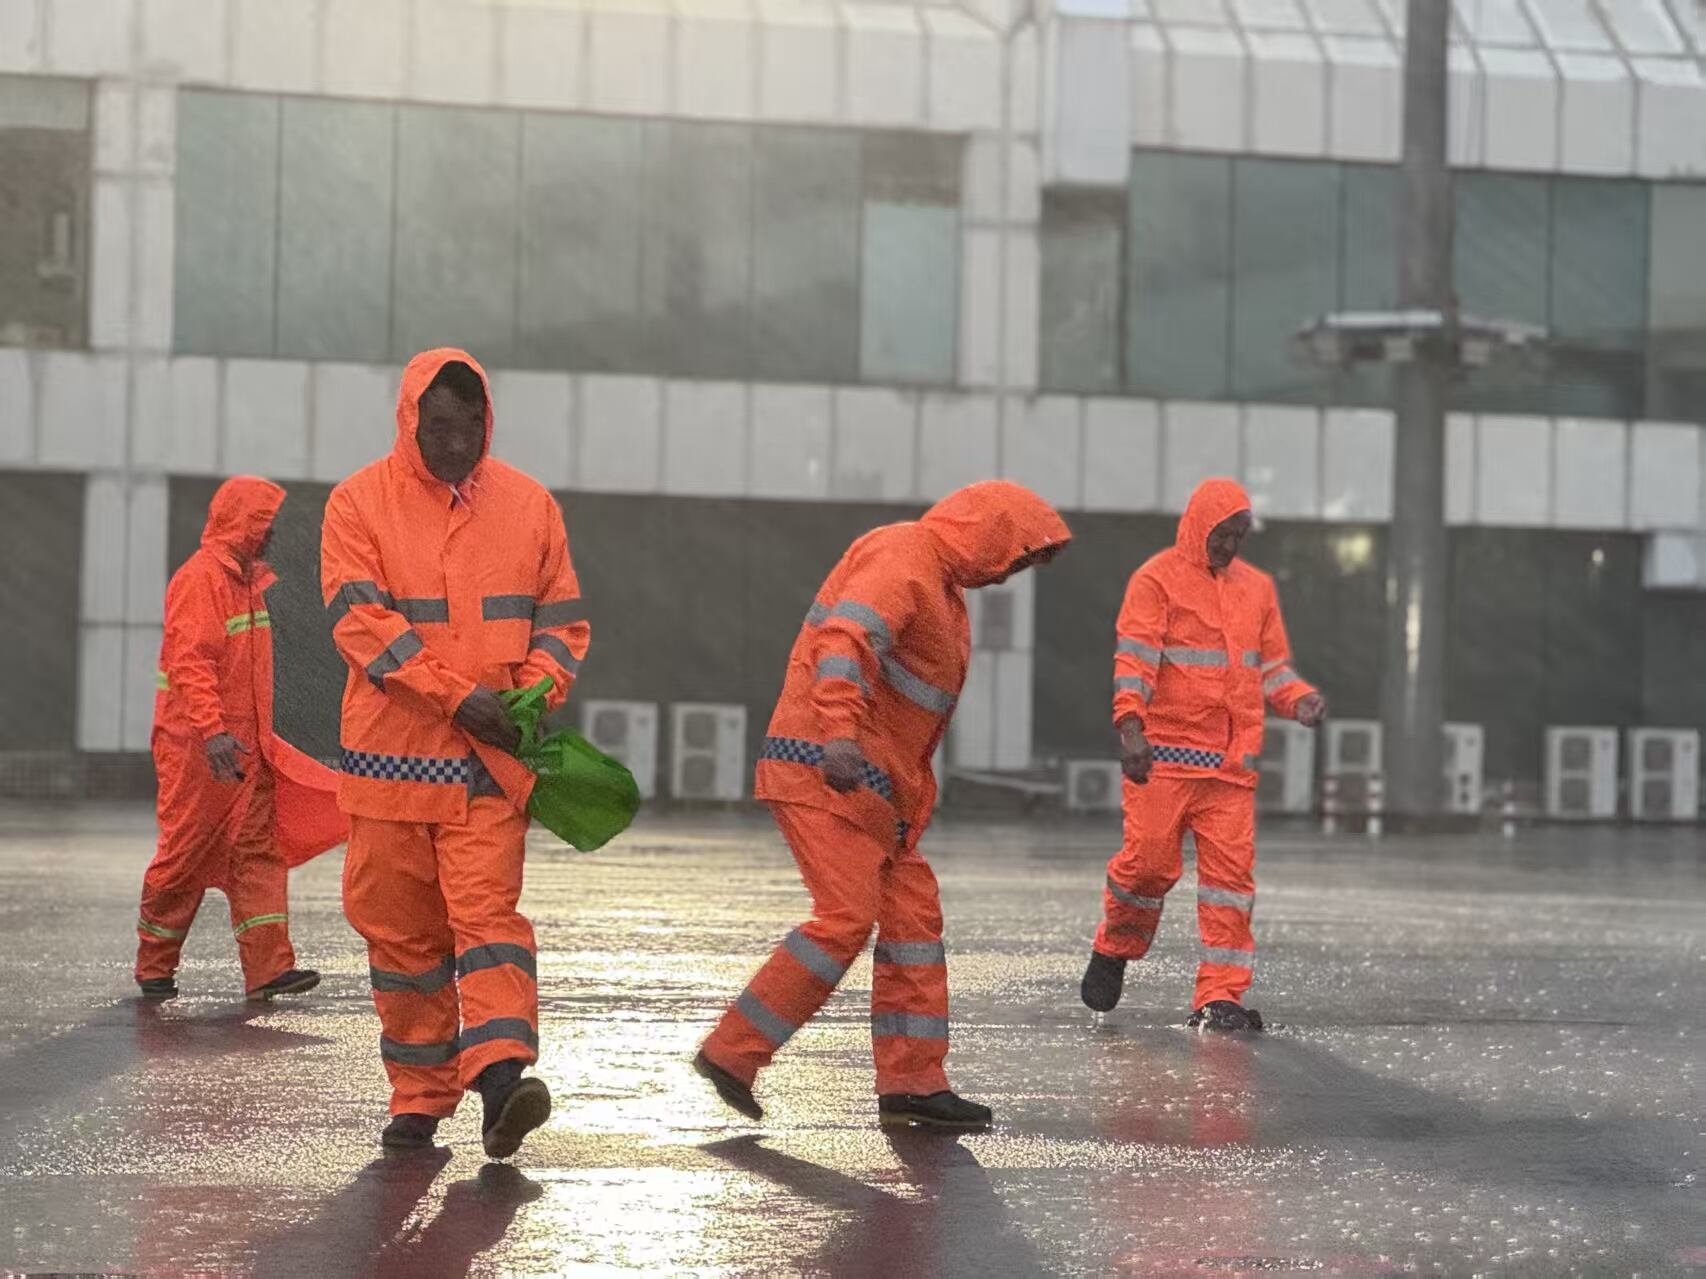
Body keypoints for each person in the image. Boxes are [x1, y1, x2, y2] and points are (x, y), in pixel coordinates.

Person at [695, 480, 1070, 1128]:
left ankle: (913, 1082)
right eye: (1015, 558)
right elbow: (843, 643)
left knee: (914, 921)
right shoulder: (905, 557)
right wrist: (839, 734)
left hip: (873, 792)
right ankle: (731, 1052)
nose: (1009, 576)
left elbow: (904, 719)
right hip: (825, 766)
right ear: (992, 533)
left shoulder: (942, 588)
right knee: (845, 916)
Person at [321, 349, 590, 1157]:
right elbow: (360, 623)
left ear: (486, 421)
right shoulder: (357, 504)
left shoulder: (530, 507)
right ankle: (420, 1092)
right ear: (410, 421)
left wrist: (535, 693)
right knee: (402, 942)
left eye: (466, 425)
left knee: (488, 923)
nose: (451, 441)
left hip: (484, 770)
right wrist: (457, 695)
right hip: (392, 772)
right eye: (435, 426)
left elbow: (562, 624)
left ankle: (504, 1075)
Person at [1080, 477, 1325, 1032]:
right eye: (1221, 534)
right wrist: (1130, 727)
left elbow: (1270, 668)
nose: (1230, 546)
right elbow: (1136, 661)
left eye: (1239, 535)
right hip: (1162, 760)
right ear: (1197, 526)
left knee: (1230, 889)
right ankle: (1115, 945)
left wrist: (1299, 699)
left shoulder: (1257, 590)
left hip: (1231, 769)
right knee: (1147, 867)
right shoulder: (1156, 581)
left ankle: (1221, 997)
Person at [136, 475, 343, 1002]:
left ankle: (269, 969)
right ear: (243, 526)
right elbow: (191, 664)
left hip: (242, 749)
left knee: (257, 850)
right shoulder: (201, 580)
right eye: (264, 524)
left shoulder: (244, 582)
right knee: (185, 853)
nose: (272, 535)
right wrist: (213, 732)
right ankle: (153, 965)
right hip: (200, 750)